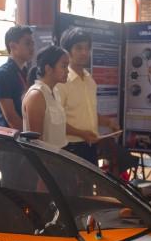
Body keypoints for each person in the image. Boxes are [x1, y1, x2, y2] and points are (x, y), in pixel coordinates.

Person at [56, 28, 119, 165]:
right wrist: (82, 134)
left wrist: (109, 123)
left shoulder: (89, 80)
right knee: (71, 186)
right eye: (78, 48)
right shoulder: (61, 81)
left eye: (87, 48)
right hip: (70, 147)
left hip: (90, 146)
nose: (84, 53)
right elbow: (55, 122)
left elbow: (87, 112)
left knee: (89, 187)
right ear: (67, 51)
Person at [22, 45, 69, 148]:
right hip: (46, 160)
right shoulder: (37, 95)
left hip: (59, 156)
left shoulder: (55, 91)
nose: (68, 71)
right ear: (48, 69)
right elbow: (36, 142)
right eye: (64, 66)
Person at [0, 25, 35, 130]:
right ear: (13, 46)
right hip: (11, 139)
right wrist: (28, 138)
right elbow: (11, 117)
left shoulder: (27, 71)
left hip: (28, 133)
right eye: (28, 43)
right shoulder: (2, 74)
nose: (32, 47)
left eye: (33, 43)